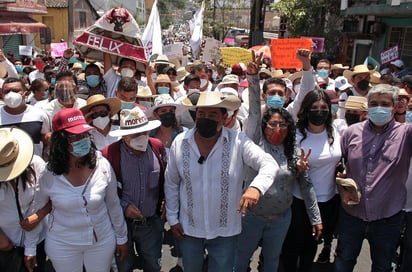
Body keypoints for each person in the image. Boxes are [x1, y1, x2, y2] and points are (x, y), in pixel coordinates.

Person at [164, 91, 278, 271]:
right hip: (189, 227)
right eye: (201, 114)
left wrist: (256, 188)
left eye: (212, 114)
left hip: (225, 230)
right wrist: (172, 218)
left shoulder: (238, 142)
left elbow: (269, 164)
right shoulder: (180, 143)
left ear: (225, 117)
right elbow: (171, 183)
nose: (205, 118)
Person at [233, 56, 322, 272]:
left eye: (283, 124)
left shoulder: (294, 151)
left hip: (281, 220)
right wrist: (253, 77)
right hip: (251, 218)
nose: (277, 128)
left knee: (272, 262)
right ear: (263, 126)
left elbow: (306, 185)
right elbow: (254, 109)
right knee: (241, 260)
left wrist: (316, 218)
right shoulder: (254, 141)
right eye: (272, 124)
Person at [24, 108, 128, 272]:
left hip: (101, 241)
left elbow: (113, 204)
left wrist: (122, 237)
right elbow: (36, 209)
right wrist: (30, 248)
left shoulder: (102, 165)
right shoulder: (48, 173)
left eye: (85, 135)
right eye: (76, 136)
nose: (83, 140)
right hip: (62, 245)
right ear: (61, 141)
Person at [335, 84, 411, 272]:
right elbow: (338, 167)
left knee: (382, 266)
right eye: (374, 103)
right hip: (351, 216)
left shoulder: (405, 134)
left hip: (388, 218)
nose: (379, 108)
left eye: (385, 104)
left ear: (394, 106)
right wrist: (342, 189)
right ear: (367, 106)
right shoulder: (351, 133)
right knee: (343, 262)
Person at [282, 88, 342, 271]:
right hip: (300, 202)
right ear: (306, 110)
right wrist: (296, 167)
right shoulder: (296, 136)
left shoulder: (337, 131)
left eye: (324, 107)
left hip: (328, 200)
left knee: (311, 246)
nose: (320, 110)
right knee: (293, 247)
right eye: (315, 107)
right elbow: (285, 167)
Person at [103, 106, 165, 272]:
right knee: (124, 265)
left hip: (150, 222)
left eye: (144, 133)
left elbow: (166, 180)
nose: (142, 138)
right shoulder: (109, 155)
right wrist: (124, 206)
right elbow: (104, 192)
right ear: (124, 136)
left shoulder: (157, 148)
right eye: (135, 134)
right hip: (121, 224)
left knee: (153, 263)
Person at [0, 127, 48, 272]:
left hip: (39, 238)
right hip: (5, 244)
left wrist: (30, 248)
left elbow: (45, 200)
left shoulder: (37, 164)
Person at [0, 77, 51, 159]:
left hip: (33, 166)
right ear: (2, 95)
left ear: (26, 93)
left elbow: (45, 139)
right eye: (7, 91)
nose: (11, 94)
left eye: (16, 91)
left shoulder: (39, 114)